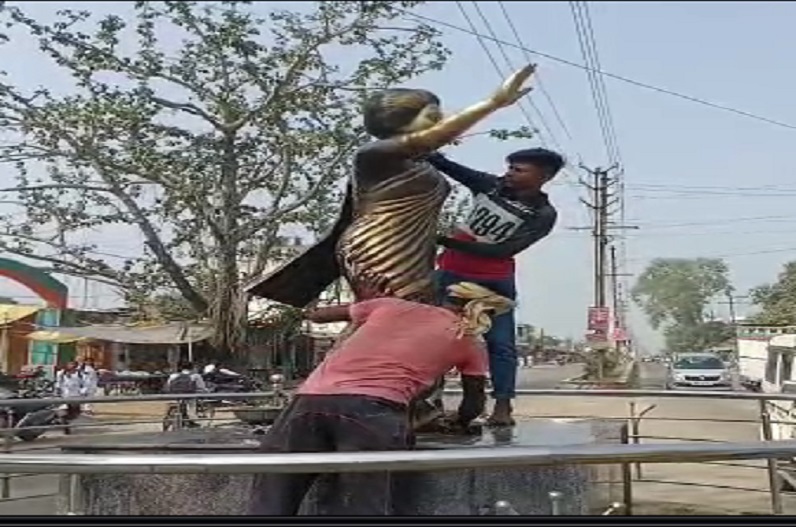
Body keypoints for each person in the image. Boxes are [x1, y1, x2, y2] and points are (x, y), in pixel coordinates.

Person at [244, 64, 537, 308]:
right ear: (400, 120)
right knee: (393, 315)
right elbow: (431, 139)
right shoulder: (373, 155)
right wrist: (493, 103)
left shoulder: (422, 164)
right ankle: (357, 376)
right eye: (433, 118)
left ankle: (384, 377)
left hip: (415, 247)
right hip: (379, 246)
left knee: (408, 316)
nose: (441, 123)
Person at [248, 282, 514, 516]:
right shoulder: (469, 340)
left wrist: (364, 302)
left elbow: (319, 316)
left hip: (309, 401)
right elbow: (473, 404)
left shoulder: (389, 306)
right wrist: (460, 420)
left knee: (274, 491)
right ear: (485, 312)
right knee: (366, 503)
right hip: (373, 412)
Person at [428, 147, 565, 426]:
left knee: (501, 345)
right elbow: (451, 168)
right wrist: (426, 149)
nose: (510, 173)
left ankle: (503, 406)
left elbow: (503, 251)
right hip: (450, 273)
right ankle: (430, 402)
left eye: (519, 169)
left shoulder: (543, 214)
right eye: (510, 167)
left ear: (544, 176)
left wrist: (445, 240)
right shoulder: (490, 185)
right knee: (434, 338)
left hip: (495, 282)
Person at [165, 361, 208, 427]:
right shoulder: (195, 376)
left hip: (175, 395)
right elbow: (201, 387)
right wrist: (205, 391)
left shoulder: (173, 375)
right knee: (191, 407)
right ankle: (192, 420)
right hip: (188, 395)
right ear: (192, 367)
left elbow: (168, 385)